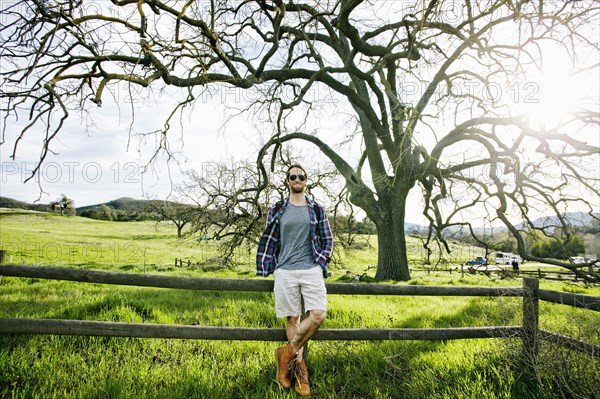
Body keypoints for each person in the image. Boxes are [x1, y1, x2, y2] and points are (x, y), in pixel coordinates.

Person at [256, 164, 334, 397]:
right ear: (288, 181)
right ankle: (299, 372)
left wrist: (322, 259)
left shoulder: (317, 209)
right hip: (285, 270)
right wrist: (272, 264)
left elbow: (327, 239)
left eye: (301, 176)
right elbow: (271, 238)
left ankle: (286, 354)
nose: (297, 179)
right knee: (293, 319)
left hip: (311, 269)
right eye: (293, 176)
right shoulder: (277, 209)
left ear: (306, 181)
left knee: (318, 314)